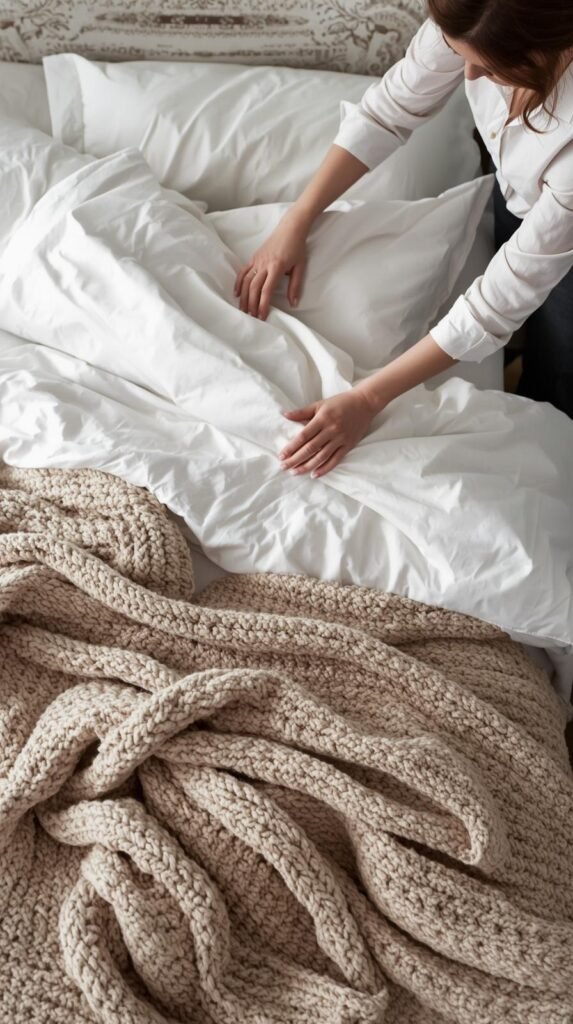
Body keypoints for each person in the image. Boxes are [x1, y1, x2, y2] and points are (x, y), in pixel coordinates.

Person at [234, 0, 573, 480]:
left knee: (560, 364)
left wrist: (367, 398)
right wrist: (298, 218)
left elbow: (497, 302)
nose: (468, 75)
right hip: (525, 188)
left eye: (491, 69)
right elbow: (387, 112)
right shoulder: (473, 17)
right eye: (462, 57)